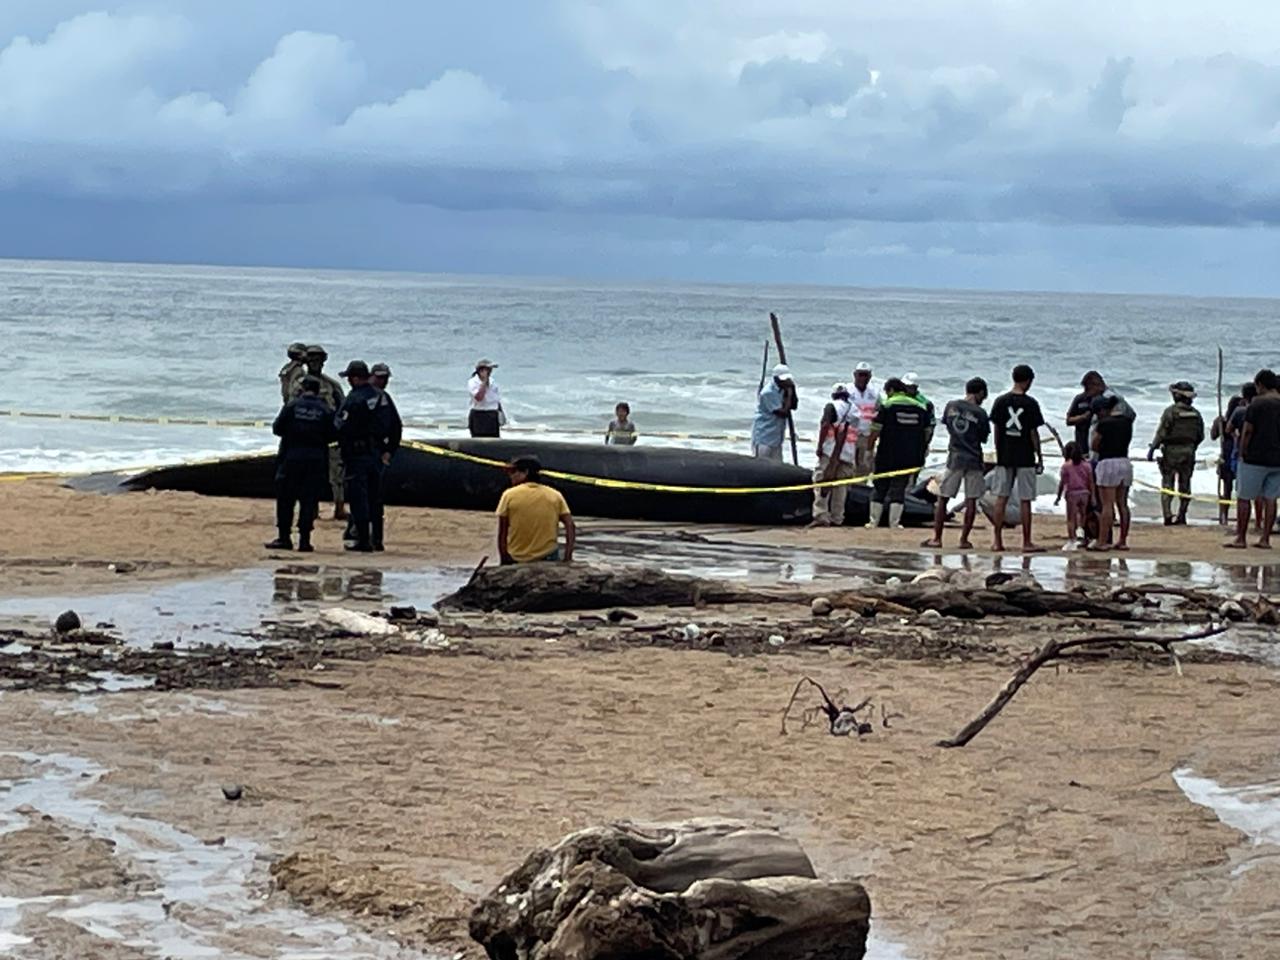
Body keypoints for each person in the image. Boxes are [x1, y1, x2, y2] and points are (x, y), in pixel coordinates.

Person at [265, 375, 336, 552]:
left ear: (303, 389)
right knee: (308, 500)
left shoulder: (292, 406)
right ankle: (305, 540)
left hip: (291, 457)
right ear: (318, 391)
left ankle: (284, 538)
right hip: (315, 459)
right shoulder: (325, 410)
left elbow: (277, 428)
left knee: (286, 499)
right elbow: (333, 435)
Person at [923, 377, 989, 549]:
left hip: (955, 456)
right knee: (971, 499)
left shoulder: (951, 406)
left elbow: (948, 426)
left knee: (943, 497)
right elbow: (983, 438)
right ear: (980, 392)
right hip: (973, 458)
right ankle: (964, 539)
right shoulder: (980, 414)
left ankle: (937, 538)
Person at [989, 364, 1046, 553]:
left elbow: (996, 430)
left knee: (1001, 498)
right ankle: (1026, 542)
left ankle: (997, 541)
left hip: (1005, 454)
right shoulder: (1030, 404)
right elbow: (1033, 433)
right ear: (1028, 380)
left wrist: (999, 451)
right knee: (1025, 500)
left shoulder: (1000, 401)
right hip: (1025, 455)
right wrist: (1039, 455)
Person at [291, 345, 347, 521]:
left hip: (328, 437)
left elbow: (343, 409)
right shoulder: (297, 385)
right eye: (312, 360)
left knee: (336, 475)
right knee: (307, 477)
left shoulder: (332, 385)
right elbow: (291, 408)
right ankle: (310, 509)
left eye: (319, 360)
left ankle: (339, 507)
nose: (316, 364)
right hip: (307, 438)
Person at [1227, 369, 1280, 549]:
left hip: (1255, 457)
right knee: (1271, 499)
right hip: (1277, 459)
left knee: (1244, 497)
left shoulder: (1257, 404)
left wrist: (1242, 452)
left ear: (1260, 385)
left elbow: (1248, 431)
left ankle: (1241, 538)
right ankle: (1265, 539)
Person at [334, 361, 382, 552]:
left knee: (358, 497)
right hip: (375, 453)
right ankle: (377, 539)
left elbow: (341, 425)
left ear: (354, 378)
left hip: (356, 454)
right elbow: (393, 424)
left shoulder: (353, 398)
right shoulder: (381, 397)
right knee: (374, 497)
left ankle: (363, 540)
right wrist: (388, 450)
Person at [866, 378, 926, 529]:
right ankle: (895, 523)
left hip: (887, 453)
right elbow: (925, 433)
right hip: (909, 456)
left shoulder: (887, 405)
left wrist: (869, 449)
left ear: (891, 390)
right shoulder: (920, 407)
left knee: (880, 486)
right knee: (899, 488)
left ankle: (873, 522)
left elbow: (875, 430)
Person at [496, 456, 576, 564]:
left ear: (525, 472)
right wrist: (568, 557)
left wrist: (504, 558)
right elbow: (570, 525)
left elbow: (503, 531)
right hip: (548, 556)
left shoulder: (509, 495)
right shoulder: (555, 495)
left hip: (518, 557)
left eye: (513, 472)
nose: (511, 476)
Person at [1147, 381, 1205, 526]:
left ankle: (1167, 515)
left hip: (1171, 451)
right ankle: (1182, 516)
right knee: (1185, 485)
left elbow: (1161, 433)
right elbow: (1200, 436)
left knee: (1168, 483)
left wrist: (1152, 449)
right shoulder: (1196, 414)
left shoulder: (1171, 412)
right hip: (1189, 451)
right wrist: (1191, 447)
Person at [811, 383, 859, 527]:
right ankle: (837, 517)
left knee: (821, 480)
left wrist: (819, 446)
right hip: (849, 452)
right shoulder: (855, 410)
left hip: (830, 451)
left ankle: (821, 515)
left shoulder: (831, 406)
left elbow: (825, 425)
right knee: (841, 485)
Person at [1091, 394, 1134, 551]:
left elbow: (1094, 445)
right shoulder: (1127, 422)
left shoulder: (1103, 424)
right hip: (1124, 461)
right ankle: (1122, 540)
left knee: (1107, 504)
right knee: (1122, 504)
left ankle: (1102, 541)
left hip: (1107, 462)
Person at [369, 363, 403, 551]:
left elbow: (396, 427)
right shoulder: (362, 396)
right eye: (380, 378)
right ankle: (358, 533)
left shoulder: (384, 399)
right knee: (360, 496)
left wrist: (390, 450)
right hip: (361, 452)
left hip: (375, 452)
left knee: (373, 497)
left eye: (386, 378)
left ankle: (375, 539)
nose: (383, 381)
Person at [1212, 387, 1247, 525]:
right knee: (1238, 489)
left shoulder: (1226, 420)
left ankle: (1224, 515)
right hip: (1234, 455)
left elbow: (1213, 435)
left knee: (1227, 489)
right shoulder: (1234, 420)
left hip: (1228, 455)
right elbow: (1214, 435)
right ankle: (1227, 515)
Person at [752, 364, 797, 461]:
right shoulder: (768, 392)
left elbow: (794, 406)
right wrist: (789, 394)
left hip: (776, 438)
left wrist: (793, 390)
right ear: (775, 378)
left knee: (777, 465)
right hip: (764, 437)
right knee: (763, 466)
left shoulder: (783, 389)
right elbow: (783, 413)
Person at [1055, 441, 1095, 546]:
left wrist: (1058, 497)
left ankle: (1072, 539)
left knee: (1071, 519)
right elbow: (1091, 482)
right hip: (1085, 493)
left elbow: (1062, 483)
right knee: (1082, 515)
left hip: (1072, 494)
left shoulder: (1066, 466)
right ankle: (1081, 532)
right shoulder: (1087, 465)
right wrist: (1093, 496)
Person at [848, 362, 881, 473]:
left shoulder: (875, 393)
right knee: (848, 464)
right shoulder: (847, 390)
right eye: (860, 374)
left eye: (865, 375)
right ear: (855, 375)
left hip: (866, 435)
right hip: (849, 434)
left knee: (864, 465)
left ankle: (861, 487)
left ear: (870, 376)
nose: (863, 378)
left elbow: (879, 413)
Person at [902, 372, 937, 465]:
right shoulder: (897, 399)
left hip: (917, 442)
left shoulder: (925, 403)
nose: (906, 389)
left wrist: (925, 445)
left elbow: (930, 426)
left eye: (910, 387)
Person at [468, 360, 504, 438]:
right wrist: (484, 382)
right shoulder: (473, 382)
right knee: (479, 439)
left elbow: (495, 398)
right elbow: (479, 397)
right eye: (488, 370)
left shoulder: (492, 381)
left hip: (492, 414)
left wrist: (500, 412)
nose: (490, 372)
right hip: (479, 414)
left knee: (494, 439)